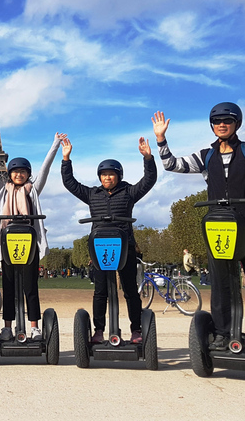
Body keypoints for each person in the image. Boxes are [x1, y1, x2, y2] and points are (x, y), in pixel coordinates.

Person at [152, 99, 245, 354]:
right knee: (221, 284)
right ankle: (222, 333)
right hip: (220, 226)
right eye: (217, 121)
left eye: (227, 121)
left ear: (236, 123)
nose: (222, 125)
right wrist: (161, 140)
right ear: (212, 126)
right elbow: (171, 164)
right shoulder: (206, 156)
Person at [61, 135, 156, 344]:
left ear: (118, 176)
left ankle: (136, 329)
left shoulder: (129, 192)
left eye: (111, 175)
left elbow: (148, 181)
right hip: (100, 247)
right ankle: (99, 330)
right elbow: (70, 183)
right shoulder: (92, 194)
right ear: (99, 177)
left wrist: (148, 158)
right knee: (100, 291)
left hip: (125, 247)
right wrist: (66, 160)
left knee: (130, 290)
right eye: (104, 175)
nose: (107, 178)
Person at [0, 128, 63, 341]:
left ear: (28, 174)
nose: (19, 174)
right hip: (8, 241)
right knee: (8, 286)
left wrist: (55, 145)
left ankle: (34, 327)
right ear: (9, 173)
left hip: (29, 242)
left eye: (23, 171)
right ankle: (7, 327)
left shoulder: (32, 190)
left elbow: (45, 169)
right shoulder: (2, 190)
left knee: (30, 286)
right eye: (15, 171)